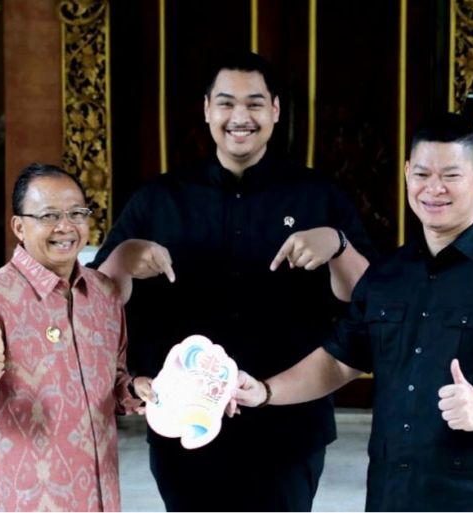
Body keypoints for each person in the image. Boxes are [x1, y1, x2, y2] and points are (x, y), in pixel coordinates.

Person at [233, 113, 473, 512]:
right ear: (406, 174)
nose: (434, 189)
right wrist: (265, 391)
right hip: (393, 496)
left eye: (451, 175)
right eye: (422, 174)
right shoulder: (385, 276)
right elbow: (338, 361)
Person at [90, 52, 376, 512]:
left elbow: (369, 296)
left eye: (254, 103)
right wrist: (123, 258)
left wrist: (338, 245)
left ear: (275, 110)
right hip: (184, 421)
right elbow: (96, 302)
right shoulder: (158, 200)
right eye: (226, 103)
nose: (240, 117)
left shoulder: (318, 196)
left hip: (288, 424)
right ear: (207, 110)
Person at [0, 163, 140, 512]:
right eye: (49, 215)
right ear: (19, 226)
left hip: (101, 493)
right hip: (28, 498)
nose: (65, 227)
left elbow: (115, 384)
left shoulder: (104, 294)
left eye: (76, 213)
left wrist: (138, 390)